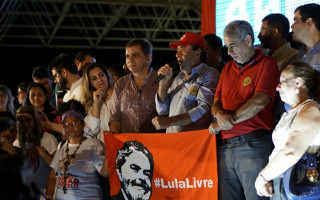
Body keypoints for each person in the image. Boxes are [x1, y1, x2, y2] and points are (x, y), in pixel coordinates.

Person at [208, 20, 279, 200]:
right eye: (226, 47)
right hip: (226, 149)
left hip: (253, 145)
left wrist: (226, 121)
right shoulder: (227, 68)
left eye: (232, 45)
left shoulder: (267, 63)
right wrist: (219, 115)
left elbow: (260, 101)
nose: (229, 52)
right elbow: (215, 103)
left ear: (248, 40)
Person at [255, 62, 320, 199]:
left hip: (299, 183)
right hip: (285, 183)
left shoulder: (309, 110)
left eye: (282, 81)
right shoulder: (293, 112)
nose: (277, 87)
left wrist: (263, 177)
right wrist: (270, 177)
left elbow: (291, 152)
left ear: (298, 83)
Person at [152, 32, 220, 133]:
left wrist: (169, 121)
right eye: (177, 50)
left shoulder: (210, 74)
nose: (177, 54)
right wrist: (163, 84)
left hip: (192, 143)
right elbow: (162, 110)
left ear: (197, 53)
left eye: (182, 49)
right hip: (173, 141)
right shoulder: (179, 77)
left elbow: (204, 110)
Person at [45, 100, 109, 200]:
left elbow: (105, 172)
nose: (70, 126)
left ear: (83, 125)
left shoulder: (93, 144)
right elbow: (52, 176)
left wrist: (111, 148)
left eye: (74, 122)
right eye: (66, 124)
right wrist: (48, 197)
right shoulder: (62, 146)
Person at [109, 39, 161, 133]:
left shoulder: (162, 80)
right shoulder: (120, 83)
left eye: (135, 55)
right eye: (127, 56)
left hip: (156, 144)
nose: (130, 60)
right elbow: (114, 119)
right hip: (128, 145)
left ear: (148, 58)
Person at [16, 105, 58, 194]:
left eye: (28, 120)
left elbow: (58, 167)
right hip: (26, 193)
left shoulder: (48, 139)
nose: (25, 124)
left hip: (45, 191)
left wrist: (42, 152)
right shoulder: (17, 143)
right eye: (21, 122)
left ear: (35, 120)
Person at [81, 63, 114, 142]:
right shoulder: (91, 105)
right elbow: (91, 132)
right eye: (94, 78)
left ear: (107, 76)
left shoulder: (121, 95)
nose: (99, 80)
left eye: (101, 75)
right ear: (90, 84)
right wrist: (96, 104)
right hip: (103, 151)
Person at [291, 3, 320, 70]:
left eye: (296, 20)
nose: (292, 26)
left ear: (308, 23)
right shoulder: (305, 54)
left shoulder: (317, 56)